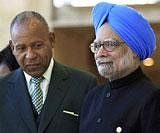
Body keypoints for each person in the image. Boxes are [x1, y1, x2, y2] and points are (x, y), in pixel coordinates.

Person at [0, 11, 97, 133]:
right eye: (21, 48)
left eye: (37, 45)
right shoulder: (2, 89)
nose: (30, 55)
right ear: (12, 48)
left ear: (51, 40)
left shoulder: (84, 85)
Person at [79, 2, 160, 133]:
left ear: (134, 50)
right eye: (97, 45)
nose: (100, 53)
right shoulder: (92, 98)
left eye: (110, 44)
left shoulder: (152, 98)